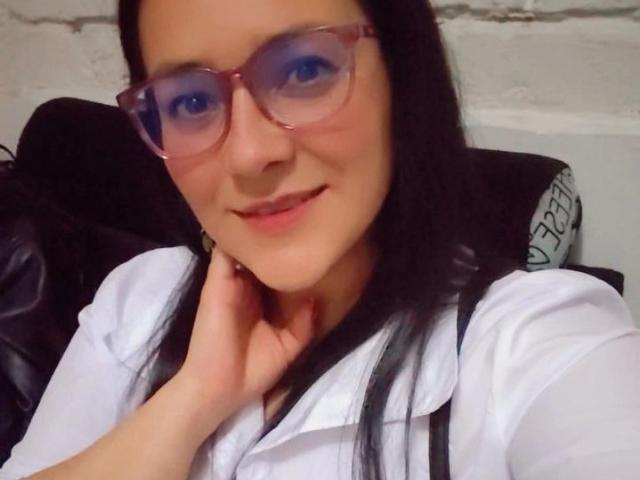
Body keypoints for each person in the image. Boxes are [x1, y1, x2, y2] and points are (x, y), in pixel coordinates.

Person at [1, 0, 639, 479]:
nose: (250, 154)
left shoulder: (537, 342)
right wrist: (191, 400)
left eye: (304, 69)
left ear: (402, 75)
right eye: (190, 103)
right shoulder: (139, 298)